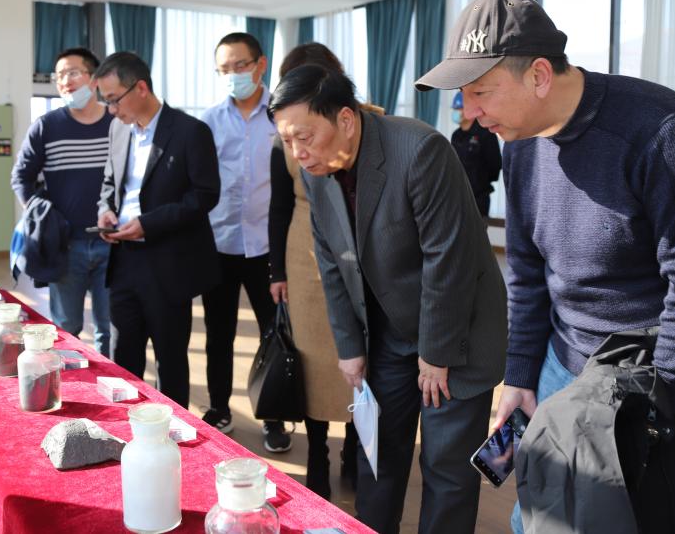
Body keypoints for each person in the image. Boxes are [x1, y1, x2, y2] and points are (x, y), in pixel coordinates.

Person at [414, 0, 675, 533]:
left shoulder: (662, 132)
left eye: (480, 93)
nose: (470, 113)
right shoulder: (519, 144)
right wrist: (520, 374)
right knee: (536, 515)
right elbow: (527, 273)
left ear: (539, 75)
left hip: (656, 373)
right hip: (563, 363)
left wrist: (647, 412)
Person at [270, 65, 507, 534]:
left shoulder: (418, 151)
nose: (297, 153)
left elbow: (448, 260)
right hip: (387, 332)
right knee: (377, 454)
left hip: (455, 331)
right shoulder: (316, 170)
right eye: (287, 141)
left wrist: (436, 354)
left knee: (447, 468)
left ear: (345, 119)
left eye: (305, 137)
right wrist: (349, 348)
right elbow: (331, 264)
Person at [95, 51, 221, 408]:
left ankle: (171, 429)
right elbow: (109, 183)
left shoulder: (190, 131)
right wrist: (105, 211)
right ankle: (125, 425)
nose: (111, 109)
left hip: (169, 262)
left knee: (170, 358)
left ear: (141, 88)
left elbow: (205, 195)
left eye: (114, 99)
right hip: (123, 259)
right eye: (105, 101)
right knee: (124, 355)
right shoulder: (118, 129)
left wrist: (148, 224)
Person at [268, 43, 361, 498]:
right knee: (310, 361)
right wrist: (276, 272)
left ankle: (356, 448)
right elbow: (278, 206)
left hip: (360, 251)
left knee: (362, 353)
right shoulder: (283, 142)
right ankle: (318, 454)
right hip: (304, 256)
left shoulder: (362, 123)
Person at [198, 32, 291, 453]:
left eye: (240, 66)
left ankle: (274, 417)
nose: (232, 75)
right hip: (219, 244)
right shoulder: (209, 121)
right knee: (219, 335)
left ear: (260, 65)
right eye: (224, 69)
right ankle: (219, 408)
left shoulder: (282, 116)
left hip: (267, 248)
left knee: (275, 336)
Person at [11, 47, 114, 355]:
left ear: (94, 79)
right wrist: (41, 217)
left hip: (114, 243)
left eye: (72, 73)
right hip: (66, 246)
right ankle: (71, 382)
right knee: (67, 327)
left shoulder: (118, 122)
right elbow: (21, 177)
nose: (64, 82)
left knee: (110, 327)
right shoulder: (46, 126)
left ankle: (110, 380)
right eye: (59, 76)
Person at [450, 91, 501, 218]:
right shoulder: (456, 136)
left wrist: (479, 181)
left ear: (469, 110)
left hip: (478, 199)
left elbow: (495, 164)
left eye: (459, 108)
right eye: (455, 109)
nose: (456, 112)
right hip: (457, 198)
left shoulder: (485, 133)